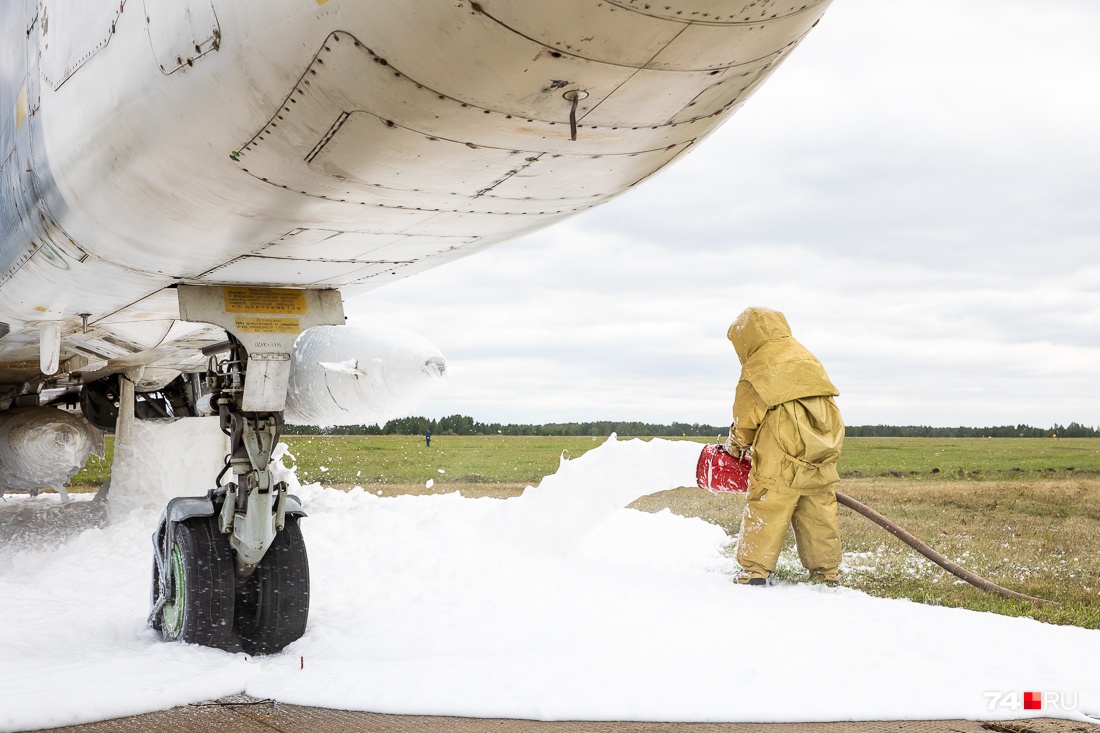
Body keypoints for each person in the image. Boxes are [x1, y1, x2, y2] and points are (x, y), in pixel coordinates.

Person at [724, 307, 844, 586]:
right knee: (819, 512)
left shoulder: (758, 367)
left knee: (768, 505)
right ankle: (826, 574)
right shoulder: (807, 357)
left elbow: (746, 418)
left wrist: (735, 444)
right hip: (822, 447)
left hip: (782, 452)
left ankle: (754, 571)